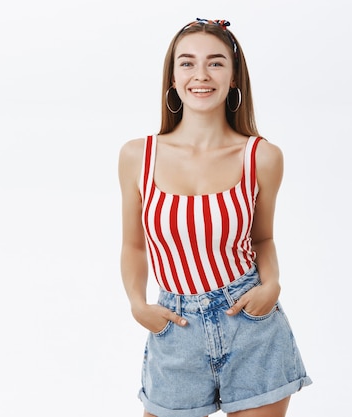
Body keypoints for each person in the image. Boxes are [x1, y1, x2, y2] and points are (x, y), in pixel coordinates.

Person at [117, 18, 312, 417]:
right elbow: (134, 244)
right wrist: (138, 304)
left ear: (234, 76)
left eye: (216, 63)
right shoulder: (138, 156)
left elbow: (262, 240)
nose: (201, 75)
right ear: (172, 78)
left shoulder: (261, 157)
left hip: (252, 326)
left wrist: (272, 284)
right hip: (175, 329)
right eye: (187, 63)